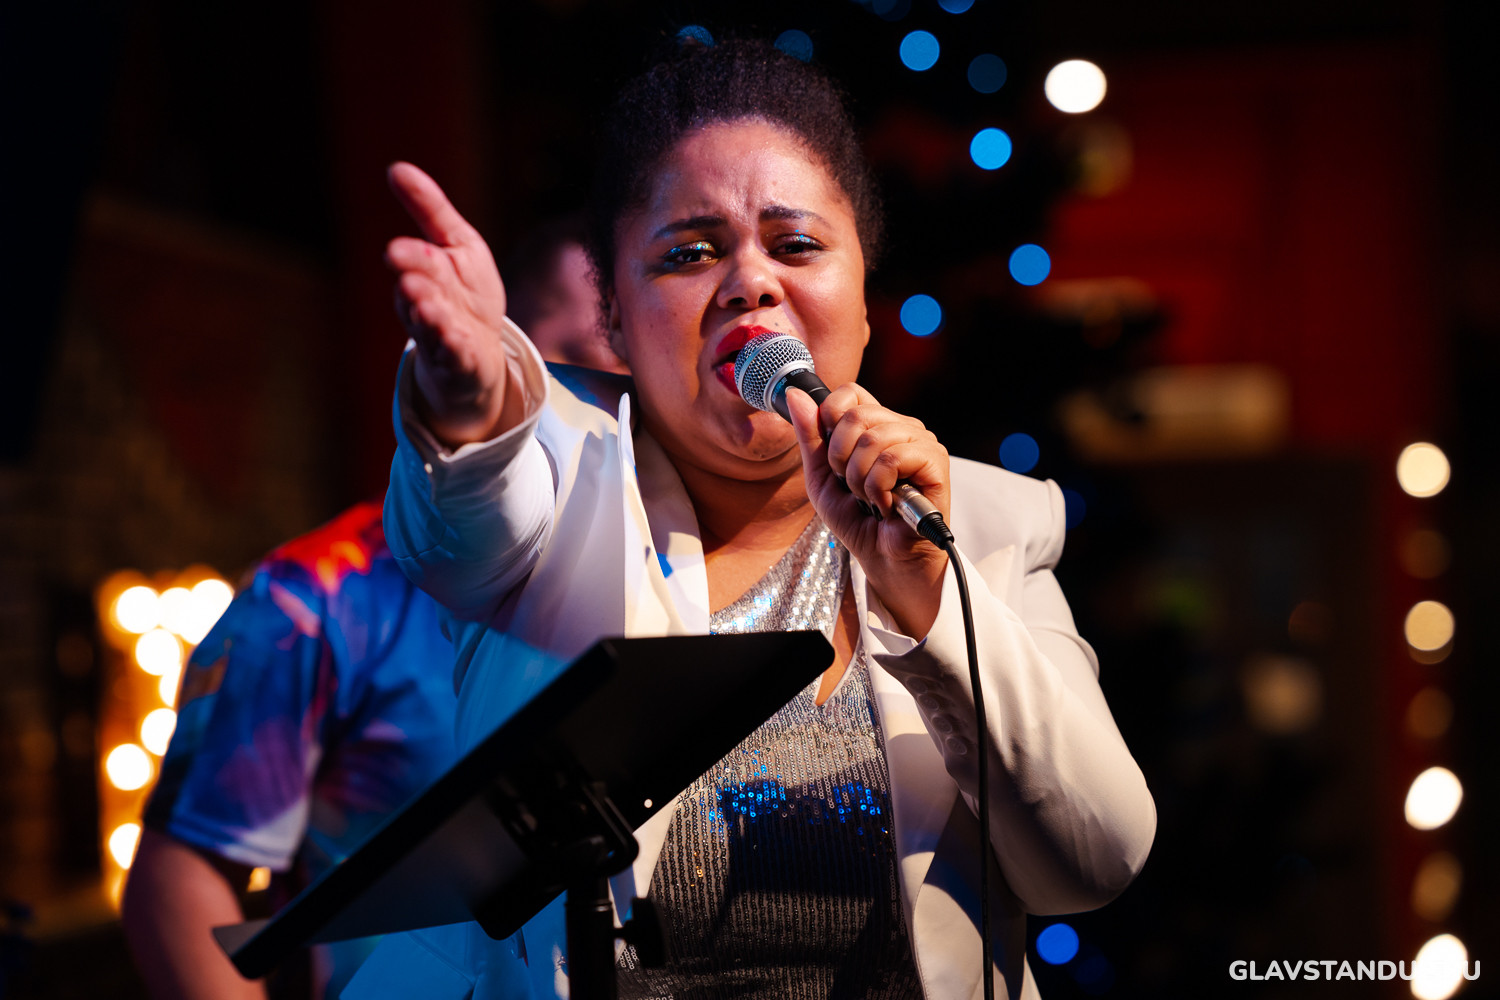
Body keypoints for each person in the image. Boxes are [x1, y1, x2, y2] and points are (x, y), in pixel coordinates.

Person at [353, 38, 1156, 1000]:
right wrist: (469, 407)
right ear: (615, 321)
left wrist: (928, 597)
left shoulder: (979, 518)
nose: (750, 281)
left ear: (864, 301)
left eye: (796, 245)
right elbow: (465, 519)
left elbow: (1093, 861)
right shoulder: (563, 473)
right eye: (689, 253)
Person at [120, 222, 620, 1000]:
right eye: (579, 365)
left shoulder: (663, 567)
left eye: (623, 380)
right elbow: (182, 874)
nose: (602, 406)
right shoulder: (319, 594)